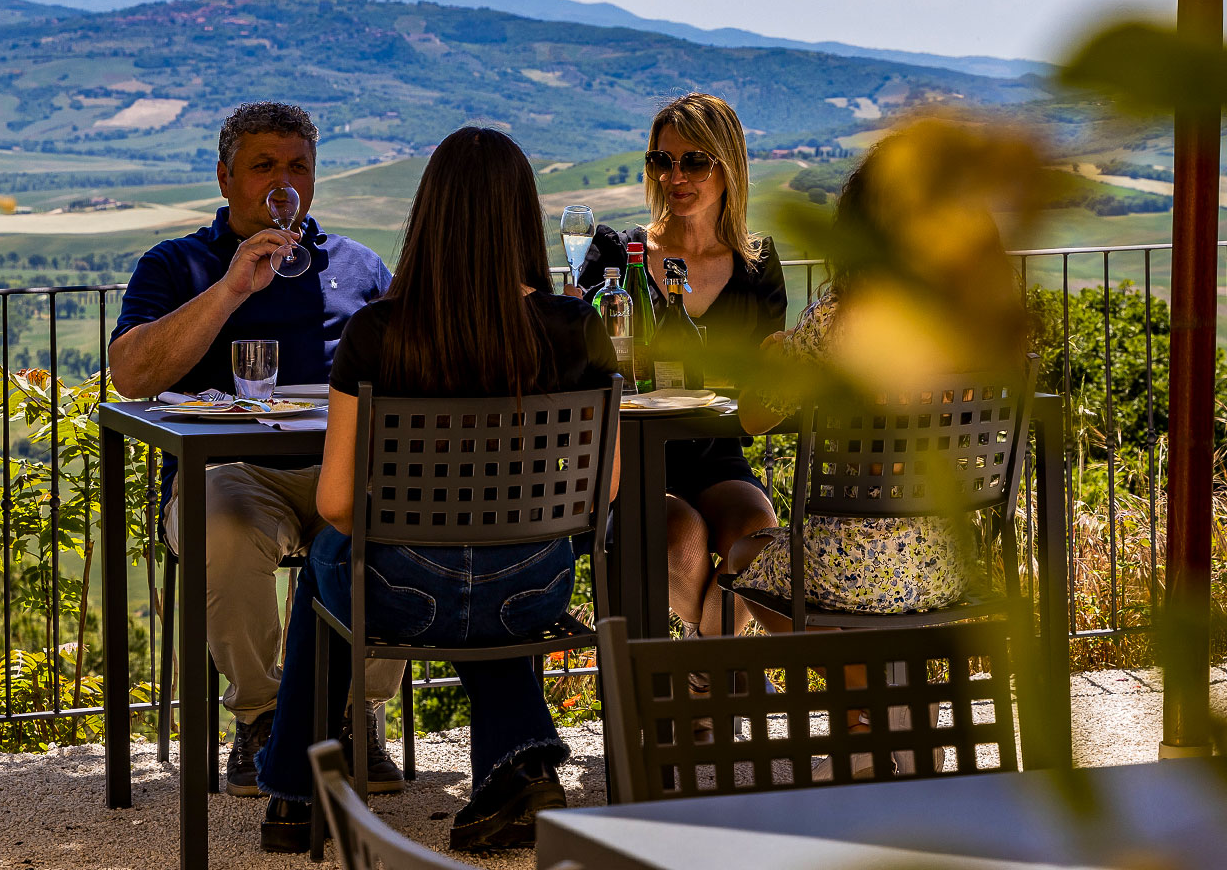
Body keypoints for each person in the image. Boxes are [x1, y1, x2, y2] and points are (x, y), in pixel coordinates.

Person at [255, 126, 619, 854]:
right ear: (522, 215)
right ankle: (517, 768)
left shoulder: (377, 333)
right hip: (533, 584)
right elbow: (602, 490)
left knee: (331, 559)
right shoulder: (575, 327)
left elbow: (334, 502)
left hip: (401, 589)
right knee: (496, 570)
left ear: (429, 215)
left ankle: (296, 796)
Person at [107, 101, 405, 796]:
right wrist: (230, 289)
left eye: (298, 166)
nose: (284, 182)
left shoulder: (360, 267)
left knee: (398, 511)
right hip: (232, 472)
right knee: (224, 523)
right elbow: (132, 374)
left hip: (345, 469)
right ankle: (263, 717)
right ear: (224, 177)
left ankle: (360, 711)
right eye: (264, 166)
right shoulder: (177, 263)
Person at [732, 144, 986, 615]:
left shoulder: (837, 321)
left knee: (743, 554)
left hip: (846, 566)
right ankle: (887, 688)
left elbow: (752, 418)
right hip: (949, 565)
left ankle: (848, 684)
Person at [577, 92, 786, 638]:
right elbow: (587, 364)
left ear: (728, 165)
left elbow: (764, 379)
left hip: (718, 454)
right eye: (662, 161)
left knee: (760, 538)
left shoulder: (756, 266)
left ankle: (698, 670)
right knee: (684, 535)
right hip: (636, 464)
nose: (677, 176)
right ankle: (714, 671)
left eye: (694, 160)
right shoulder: (618, 257)